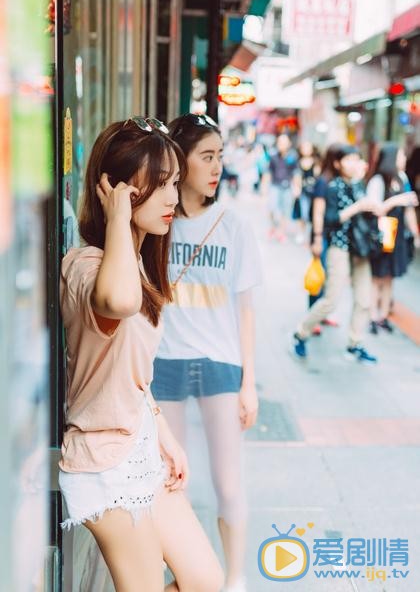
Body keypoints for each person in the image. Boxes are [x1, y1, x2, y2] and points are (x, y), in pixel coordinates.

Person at [58, 117, 224, 592]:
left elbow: (133, 373)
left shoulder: (135, 261)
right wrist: (114, 218)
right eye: (155, 187)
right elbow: (119, 302)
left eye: (173, 182)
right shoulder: (89, 266)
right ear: (117, 192)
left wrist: (164, 433)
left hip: (140, 443)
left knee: (205, 580)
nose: (172, 198)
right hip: (104, 462)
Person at [151, 113, 263, 592]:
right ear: (181, 160)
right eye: (207, 156)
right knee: (173, 481)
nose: (217, 167)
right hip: (165, 363)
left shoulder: (233, 224)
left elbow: (246, 308)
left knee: (228, 481)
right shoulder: (160, 221)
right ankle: (184, 574)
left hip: (219, 363)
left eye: (220, 156)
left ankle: (234, 578)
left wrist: (249, 381)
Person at [292, 145, 379, 364]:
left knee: (364, 299)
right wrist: (356, 207)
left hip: (361, 249)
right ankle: (301, 332)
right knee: (331, 299)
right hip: (339, 246)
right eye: (347, 159)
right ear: (338, 163)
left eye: (356, 159)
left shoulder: (360, 185)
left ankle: (355, 343)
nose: (352, 163)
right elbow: (330, 219)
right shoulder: (332, 187)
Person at [367, 143, 419, 334]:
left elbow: (409, 209)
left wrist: (414, 233)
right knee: (377, 278)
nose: (404, 159)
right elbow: (375, 208)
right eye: (401, 156)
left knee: (389, 277)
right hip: (382, 234)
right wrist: (398, 200)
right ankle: (372, 316)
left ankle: (382, 316)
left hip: (397, 236)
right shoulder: (378, 181)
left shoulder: (402, 178)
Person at [308, 144, 343, 335]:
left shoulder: (339, 181)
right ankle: (312, 316)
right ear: (336, 161)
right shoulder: (324, 181)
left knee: (329, 277)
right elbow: (318, 212)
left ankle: (323, 313)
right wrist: (317, 238)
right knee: (318, 277)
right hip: (322, 235)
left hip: (333, 236)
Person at [267, 133, 299, 241]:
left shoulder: (292, 157)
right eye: (280, 142)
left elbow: (296, 173)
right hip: (275, 185)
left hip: (287, 187)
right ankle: (273, 227)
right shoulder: (273, 156)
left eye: (284, 142)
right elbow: (268, 172)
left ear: (289, 144)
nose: (282, 145)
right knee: (272, 208)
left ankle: (281, 232)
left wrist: (297, 187)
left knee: (286, 211)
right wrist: (263, 187)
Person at [294, 140, 320, 244]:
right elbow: (297, 177)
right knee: (303, 213)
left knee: (312, 213)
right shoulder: (298, 162)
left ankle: (310, 234)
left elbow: (317, 177)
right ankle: (302, 233)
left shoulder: (316, 162)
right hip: (303, 192)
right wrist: (297, 188)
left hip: (314, 192)